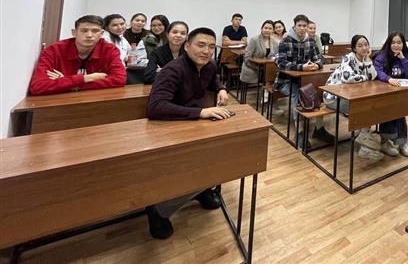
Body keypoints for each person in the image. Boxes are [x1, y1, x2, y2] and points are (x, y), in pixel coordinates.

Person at [145, 27, 231, 239]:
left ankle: (201, 190)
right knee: (190, 165)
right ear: (187, 46)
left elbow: (213, 78)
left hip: (194, 122)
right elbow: (155, 108)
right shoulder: (172, 70)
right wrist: (200, 112)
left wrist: (221, 88)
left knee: (219, 155)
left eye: (211, 47)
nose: (206, 51)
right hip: (170, 126)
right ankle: (158, 210)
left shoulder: (209, 65)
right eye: (200, 45)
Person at [29, 15, 126, 95]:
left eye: (95, 31)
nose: (89, 35)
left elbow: (119, 79)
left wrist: (68, 83)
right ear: (74, 32)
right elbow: (37, 87)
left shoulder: (110, 50)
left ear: (101, 34)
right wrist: (87, 78)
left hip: (96, 101)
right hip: (60, 103)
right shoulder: (54, 50)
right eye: (84, 30)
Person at [274, 14, 333, 144]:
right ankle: (300, 132)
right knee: (297, 93)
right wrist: (301, 67)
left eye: (304, 26)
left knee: (319, 91)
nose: (302, 28)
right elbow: (280, 62)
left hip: (306, 81)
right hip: (286, 81)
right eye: (299, 25)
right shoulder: (285, 41)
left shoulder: (311, 41)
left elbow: (320, 58)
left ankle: (319, 129)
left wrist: (317, 65)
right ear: (294, 26)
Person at [323, 34, 382, 160]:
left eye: (366, 45)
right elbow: (348, 78)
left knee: (370, 106)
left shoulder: (365, 59)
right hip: (333, 97)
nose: (364, 48)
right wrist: (365, 77)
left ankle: (363, 140)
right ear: (354, 48)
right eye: (360, 46)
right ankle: (364, 143)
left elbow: (373, 75)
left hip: (349, 95)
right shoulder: (348, 58)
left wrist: (368, 60)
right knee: (364, 109)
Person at [372, 32, 408, 157]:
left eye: (399, 42)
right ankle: (386, 141)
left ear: (403, 44)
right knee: (391, 111)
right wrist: (388, 79)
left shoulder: (406, 56)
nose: (396, 45)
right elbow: (377, 71)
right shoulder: (382, 56)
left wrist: (403, 59)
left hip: (400, 92)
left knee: (400, 112)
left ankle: (401, 142)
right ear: (389, 44)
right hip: (384, 92)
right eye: (393, 42)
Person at [104, 13, 148, 84]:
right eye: (114, 25)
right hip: (109, 74)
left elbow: (131, 56)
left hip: (121, 71)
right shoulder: (104, 38)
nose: (120, 27)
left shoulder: (122, 38)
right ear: (107, 27)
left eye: (122, 24)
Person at [240, 20, 278, 85]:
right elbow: (246, 57)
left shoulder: (274, 42)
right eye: (265, 28)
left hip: (266, 69)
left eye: (270, 29)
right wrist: (259, 68)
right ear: (261, 29)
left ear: (273, 31)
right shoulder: (254, 40)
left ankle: (266, 89)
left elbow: (275, 57)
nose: (267, 30)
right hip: (252, 67)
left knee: (274, 75)